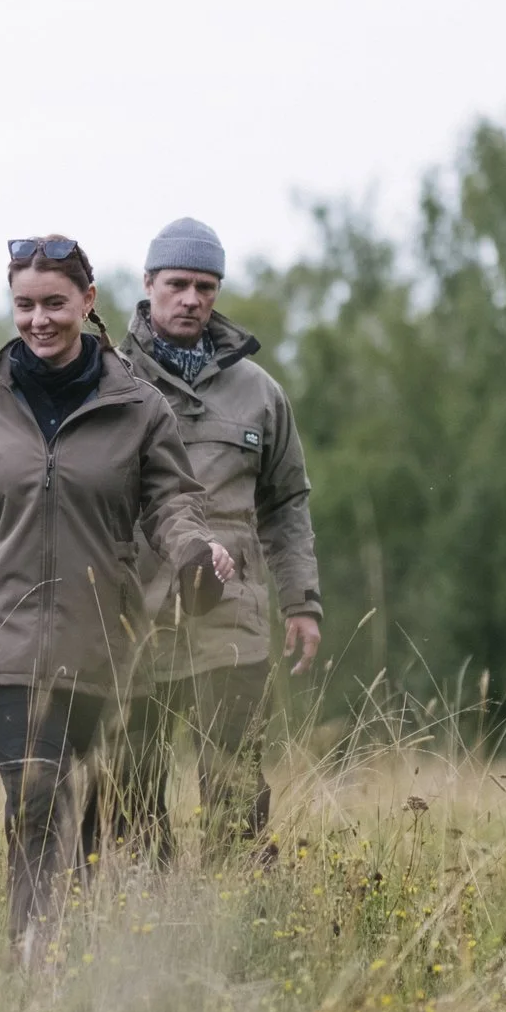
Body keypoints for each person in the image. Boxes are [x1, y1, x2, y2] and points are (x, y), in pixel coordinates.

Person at [0, 237, 228, 957]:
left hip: (102, 646)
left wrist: (194, 551)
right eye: (25, 305)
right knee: (38, 796)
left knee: (99, 816)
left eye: (54, 303)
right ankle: (33, 957)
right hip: (5, 649)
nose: (39, 320)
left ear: (87, 302)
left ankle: (93, 960)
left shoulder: (137, 407)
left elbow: (173, 503)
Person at [106, 217, 323, 867]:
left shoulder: (259, 393)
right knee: (130, 784)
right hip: (130, 616)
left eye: (205, 287)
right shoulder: (108, 381)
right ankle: (145, 907)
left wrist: (302, 602)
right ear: (148, 283)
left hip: (231, 618)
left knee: (235, 784)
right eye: (177, 284)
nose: (191, 299)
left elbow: (287, 503)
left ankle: (237, 906)